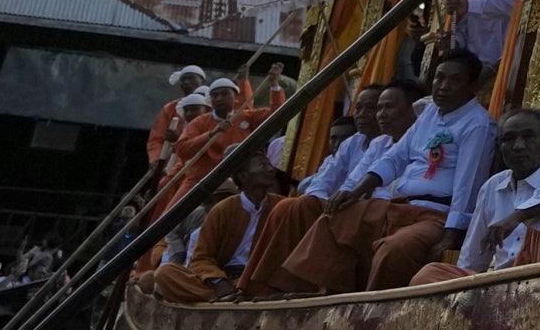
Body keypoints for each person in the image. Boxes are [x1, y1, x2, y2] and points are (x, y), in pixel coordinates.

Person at [271, 51, 495, 293]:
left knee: (393, 249)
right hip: (398, 205)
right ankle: (307, 294)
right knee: (335, 219)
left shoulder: (478, 124)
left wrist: (451, 235)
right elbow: (395, 157)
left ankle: (368, 309)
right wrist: (356, 191)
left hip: (435, 215)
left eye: (455, 80)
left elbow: (468, 185)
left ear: (472, 85)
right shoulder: (430, 112)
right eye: (439, 78)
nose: (443, 86)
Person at [242, 83, 394, 295]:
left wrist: (333, 202)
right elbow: (322, 182)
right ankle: (258, 286)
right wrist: (325, 200)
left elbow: (367, 186)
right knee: (286, 206)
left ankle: (306, 287)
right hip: (340, 204)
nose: (362, 115)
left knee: (307, 205)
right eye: (358, 108)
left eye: (371, 108)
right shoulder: (353, 143)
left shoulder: (391, 142)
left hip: (366, 208)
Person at [413, 109, 540, 281]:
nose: (518, 146)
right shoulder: (492, 186)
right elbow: (473, 256)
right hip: (501, 283)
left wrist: (517, 217)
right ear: (500, 146)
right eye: (509, 138)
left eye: (528, 137)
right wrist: (461, 282)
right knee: (429, 274)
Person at [145, 153, 285, 307]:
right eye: (262, 165)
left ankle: (236, 295)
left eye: (269, 164)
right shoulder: (223, 210)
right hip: (222, 277)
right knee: (165, 274)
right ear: (243, 176)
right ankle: (224, 295)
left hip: (255, 279)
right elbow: (202, 257)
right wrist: (219, 282)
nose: (271, 169)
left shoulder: (282, 206)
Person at [146, 66, 210, 165]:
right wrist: (156, 160)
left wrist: (180, 138)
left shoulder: (214, 108)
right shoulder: (170, 108)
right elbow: (156, 138)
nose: (187, 82)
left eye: (191, 78)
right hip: (171, 164)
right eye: (183, 79)